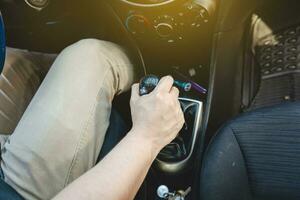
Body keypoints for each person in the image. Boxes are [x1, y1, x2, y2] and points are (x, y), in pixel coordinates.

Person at [0, 39, 184, 200]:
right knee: (90, 56)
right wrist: (147, 137)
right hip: (13, 192)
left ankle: (59, 66)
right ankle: (152, 64)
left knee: (16, 61)